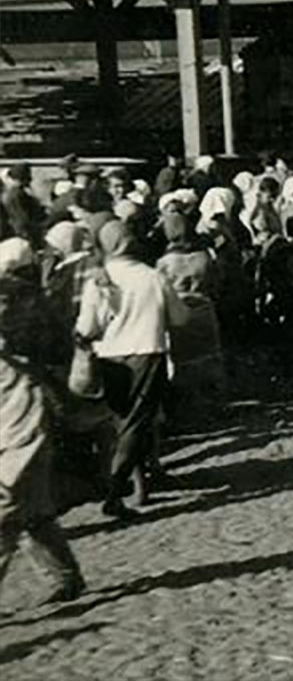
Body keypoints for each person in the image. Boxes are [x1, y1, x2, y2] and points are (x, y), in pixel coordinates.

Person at [76, 220, 185, 519]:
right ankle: (116, 492)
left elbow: (86, 327)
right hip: (147, 353)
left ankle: (139, 486)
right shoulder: (153, 277)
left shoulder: (98, 280)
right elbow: (180, 318)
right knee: (138, 422)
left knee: (125, 422)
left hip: (111, 358)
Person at [0, 238, 85, 607]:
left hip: (21, 414)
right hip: (17, 412)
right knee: (33, 510)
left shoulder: (19, 305)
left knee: (6, 506)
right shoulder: (32, 302)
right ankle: (66, 576)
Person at [156, 212, 225, 425]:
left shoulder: (165, 262)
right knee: (207, 358)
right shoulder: (203, 256)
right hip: (204, 310)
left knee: (182, 361)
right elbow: (217, 281)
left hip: (180, 314)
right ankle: (210, 407)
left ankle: (188, 410)